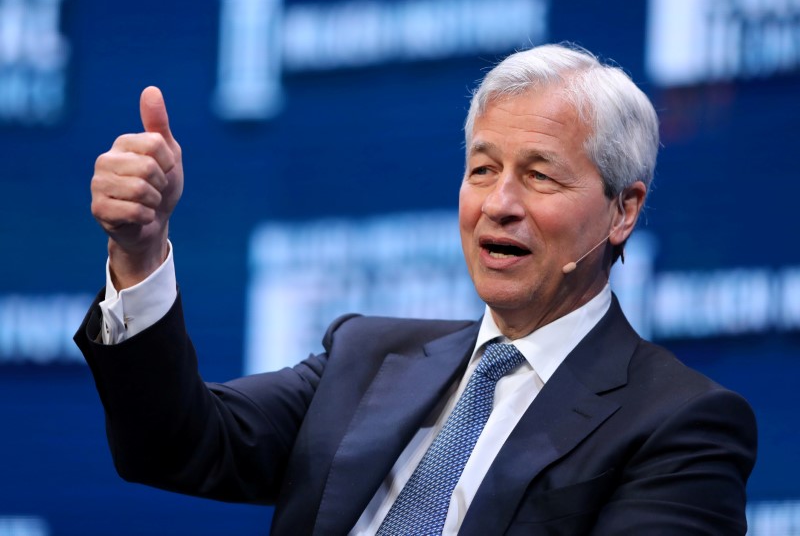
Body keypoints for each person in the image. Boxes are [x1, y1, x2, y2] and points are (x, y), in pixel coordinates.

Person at [75, 43, 757, 535]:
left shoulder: (679, 424)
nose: (499, 204)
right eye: (483, 170)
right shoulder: (365, 356)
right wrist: (138, 254)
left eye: (540, 176)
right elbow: (171, 444)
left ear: (623, 210)